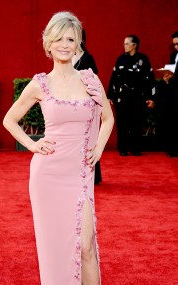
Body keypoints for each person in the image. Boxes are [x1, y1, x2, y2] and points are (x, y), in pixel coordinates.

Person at [3, 11, 116, 285]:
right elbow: (11, 120)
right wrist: (33, 145)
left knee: (85, 246)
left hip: (79, 175)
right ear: (48, 44)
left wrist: (98, 147)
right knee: (56, 249)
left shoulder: (90, 80)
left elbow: (108, 118)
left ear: (77, 43)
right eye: (59, 39)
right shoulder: (40, 83)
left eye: (71, 38)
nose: (65, 44)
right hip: (47, 176)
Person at [107, 34, 155, 156]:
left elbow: (150, 79)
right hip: (123, 96)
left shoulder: (143, 60)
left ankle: (136, 148)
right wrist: (110, 96)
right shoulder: (120, 59)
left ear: (135, 45)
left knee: (136, 122)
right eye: (124, 44)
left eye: (127, 43)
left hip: (138, 96)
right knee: (122, 122)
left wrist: (151, 97)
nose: (125, 46)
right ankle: (123, 149)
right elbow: (114, 78)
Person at [73, 29, 103, 185]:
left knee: (89, 140)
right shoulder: (67, 57)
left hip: (87, 105)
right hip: (71, 105)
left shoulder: (87, 58)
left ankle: (93, 175)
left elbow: (94, 81)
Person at [155, 30, 178, 157]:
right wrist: (166, 79)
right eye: (174, 44)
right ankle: (174, 148)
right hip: (174, 93)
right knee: (174, 120)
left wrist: (174, 77)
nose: (176, 46)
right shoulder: (173, 56)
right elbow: (172, 73)